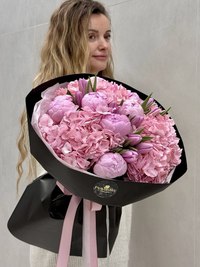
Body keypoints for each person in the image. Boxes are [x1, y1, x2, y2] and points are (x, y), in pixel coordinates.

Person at [17, 1, 132, 266]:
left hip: (106, 220)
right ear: (69, 41)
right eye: (91, 37)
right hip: (64, 223)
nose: (104, 45)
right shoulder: (48, 102)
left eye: (107, 35)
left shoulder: (120, 102)